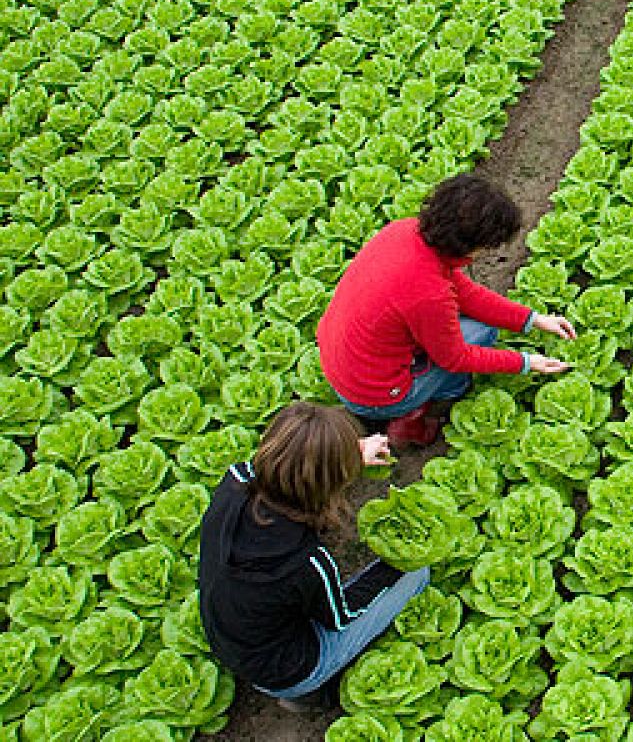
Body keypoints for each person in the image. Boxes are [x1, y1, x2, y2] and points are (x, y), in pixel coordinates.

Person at [317, 174, 576, 446]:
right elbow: (455, 358)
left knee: (467, 324)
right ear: (470, 245)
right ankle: (413, 416)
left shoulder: (404, 231)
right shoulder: (428, 293)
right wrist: (526, 362)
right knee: (482, 333)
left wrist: (534, 319)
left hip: (340, 362)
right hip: (375, 395)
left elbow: (465, 293)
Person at [197, 403, 424, 712]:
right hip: (285, 669)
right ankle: (305, 694)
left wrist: (350, 455)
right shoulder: (305, 560)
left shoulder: (235, 480)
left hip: (227, 638)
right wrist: (398, 562)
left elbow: (294, 463)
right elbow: (341, 616)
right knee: (416, 574)